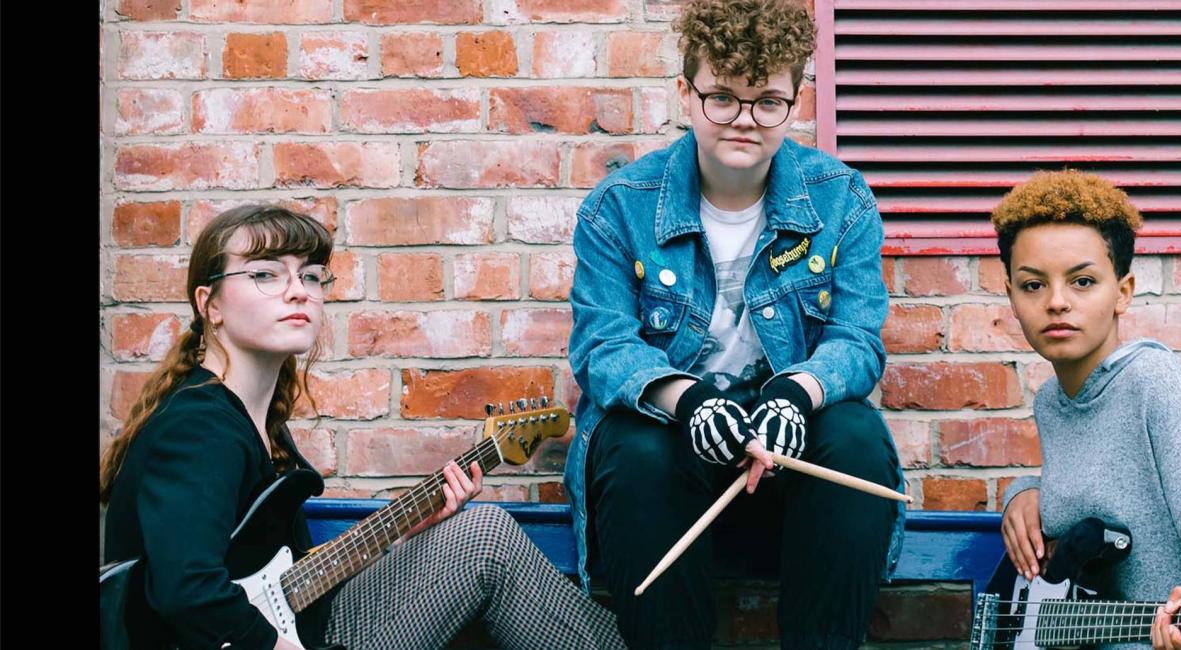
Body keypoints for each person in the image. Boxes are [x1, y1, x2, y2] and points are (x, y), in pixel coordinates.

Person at [100, 205, 626, 650]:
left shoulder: (256, 423)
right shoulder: (197, 428)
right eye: (265, 273)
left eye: (309, 275)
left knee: (473, 533)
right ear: (208, 304)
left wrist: (404, 535)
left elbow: (275, 576)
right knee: (483, 536)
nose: (298, 290)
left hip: (307, 623)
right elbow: (185, 590)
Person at [563, 1, 905, 647]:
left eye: (767, 101)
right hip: (670, 473)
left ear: (796, 102)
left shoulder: (842, 198)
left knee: (856, 439)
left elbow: (858, 340)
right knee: (634, 447)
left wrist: (794, 394)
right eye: (723, 97)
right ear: (685, 95)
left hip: (788, 482)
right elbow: (602, 348)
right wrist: (686, 397)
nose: (744, 120)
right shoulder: (618, 207)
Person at [992, 171, 1181, 650]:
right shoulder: (1052, 402)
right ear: (1010, 295)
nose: (1056, 302)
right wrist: (1024, 492)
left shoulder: (1160, 387)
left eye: (1083, 281)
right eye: (1033, 285)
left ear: (1123, 291)